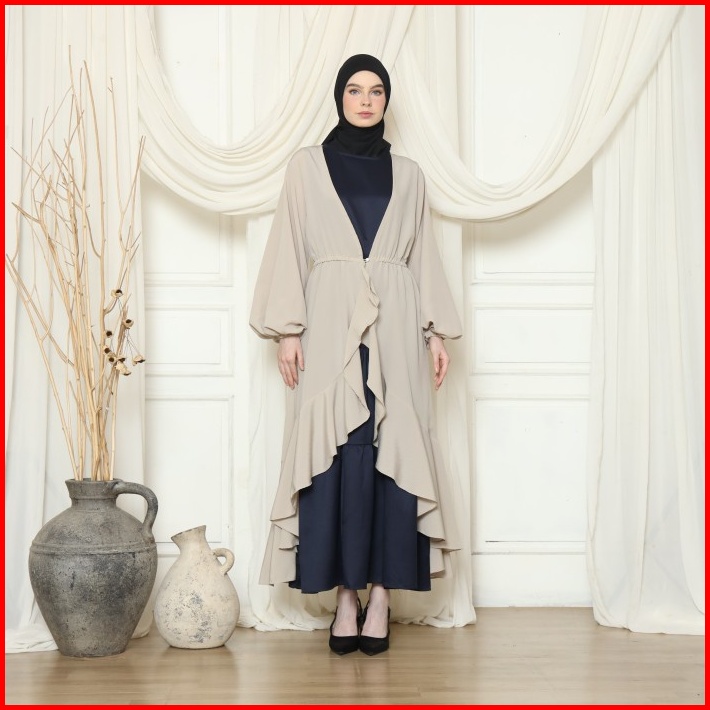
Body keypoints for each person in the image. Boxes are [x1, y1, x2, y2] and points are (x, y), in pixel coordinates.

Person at [250, 54, 462, 655]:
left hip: (396, 326)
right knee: (337, 453)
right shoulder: (305, 167)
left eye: (375, 91)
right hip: (328, 323)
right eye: (354, 90)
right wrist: (288, 330)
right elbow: (289, 245)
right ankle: (346, 596)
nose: (365, 100)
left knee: (393, 452)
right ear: (339, 98)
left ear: (386, 101)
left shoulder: (411, 175)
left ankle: (383, 597)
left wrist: (434, 331)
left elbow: (423, 257)